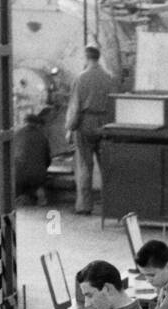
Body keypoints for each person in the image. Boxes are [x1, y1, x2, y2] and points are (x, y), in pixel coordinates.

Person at [65, 45, 116, 215]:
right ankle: (110, 204)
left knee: (84, 166)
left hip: (85, 123)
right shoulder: (109, 78)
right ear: (99, 58)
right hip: (105, 124)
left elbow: (75, 106)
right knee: (107, 166)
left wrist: (70, 128)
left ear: (86, 58)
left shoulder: (81, 78)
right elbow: (114, 103)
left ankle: (84, 206)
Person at [13, 110, 52, 206]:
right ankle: (41, 199)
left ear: (24, 122)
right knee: (38, 184)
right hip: (37, 176)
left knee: (18, 180)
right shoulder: (42, 137)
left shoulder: (16, 135)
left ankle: (18, 198)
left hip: (18, 174)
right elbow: (47, 159)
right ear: (37, 124)